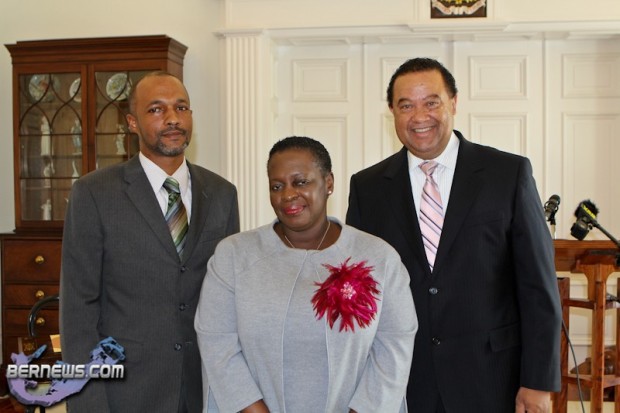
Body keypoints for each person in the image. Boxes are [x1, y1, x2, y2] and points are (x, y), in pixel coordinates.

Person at [346, 58, 562, 413]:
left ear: (454, 103)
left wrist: (537, 381)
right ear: (392, 112)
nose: (419, 116)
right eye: (406, 106)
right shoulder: (368, 188)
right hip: (403, 383)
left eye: (431, 102)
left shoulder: (507, 174)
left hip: (492, 379)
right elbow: (360, 294)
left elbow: (538, 287)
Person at [195, 136, 417, 413]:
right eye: (277, 186)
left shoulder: (378, 257)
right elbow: (218, 344)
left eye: (300, 182)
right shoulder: (233, 255)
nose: (288, 195)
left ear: (329, 183)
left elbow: (394, 346)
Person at [60, 71, 240, 412]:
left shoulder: (222, 194)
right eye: (156, 109)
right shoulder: (94, 194)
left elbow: (229, 302)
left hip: (205, 391)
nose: (173, 118)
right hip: (127, 394)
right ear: (132, 122)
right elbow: (78, 311)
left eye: (181, 107)